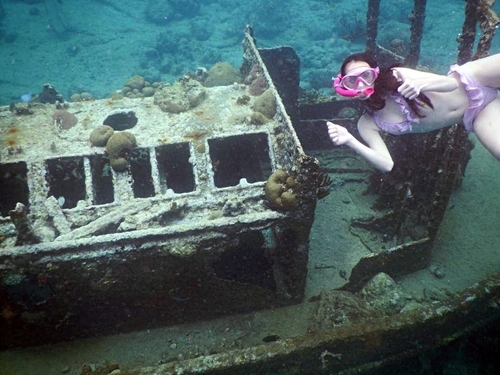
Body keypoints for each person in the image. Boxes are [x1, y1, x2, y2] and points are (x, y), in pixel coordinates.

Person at [327, 52, 500, 172]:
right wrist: (349, 140)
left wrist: (422, 84)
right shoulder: (367, 124)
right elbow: (387, 165)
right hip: (478, 113)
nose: (361, 85)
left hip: (474, 77)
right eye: (352, 81)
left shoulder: (398, 75)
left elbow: (451, 84)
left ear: (376, 74)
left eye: (366, 76)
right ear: (344, 87)